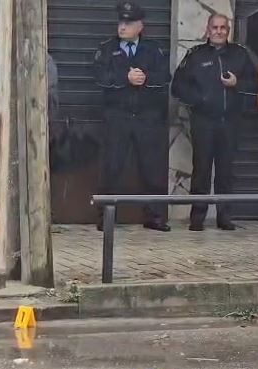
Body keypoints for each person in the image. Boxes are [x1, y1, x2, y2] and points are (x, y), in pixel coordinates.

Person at [172, 14, 258, 232]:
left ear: (228, 30)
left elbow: (256, 84)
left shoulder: (240, 54)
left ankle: (224, 217)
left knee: (226, 172)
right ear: (208, 29)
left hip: (230, 122)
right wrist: (199, 100)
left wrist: (237, 83)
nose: (219, 31)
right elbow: (178, 86)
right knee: (201, 171)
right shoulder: (195, 55)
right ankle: (197, 218)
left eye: (223, 28)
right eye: (215, 27)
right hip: (203, 122)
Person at [93, 1, 172, 232]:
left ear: (140, 26)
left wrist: (145, 79)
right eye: (121, 22)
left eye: (128, 23)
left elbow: (164, 77)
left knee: (152, 168)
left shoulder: (153, 49)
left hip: (147, 117)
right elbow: (98, 77)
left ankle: (155, 216)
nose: (122, 27)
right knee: (111, 167)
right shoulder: (106, 48)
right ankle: (106, 217)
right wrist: (124, 79)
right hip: (117, 117)